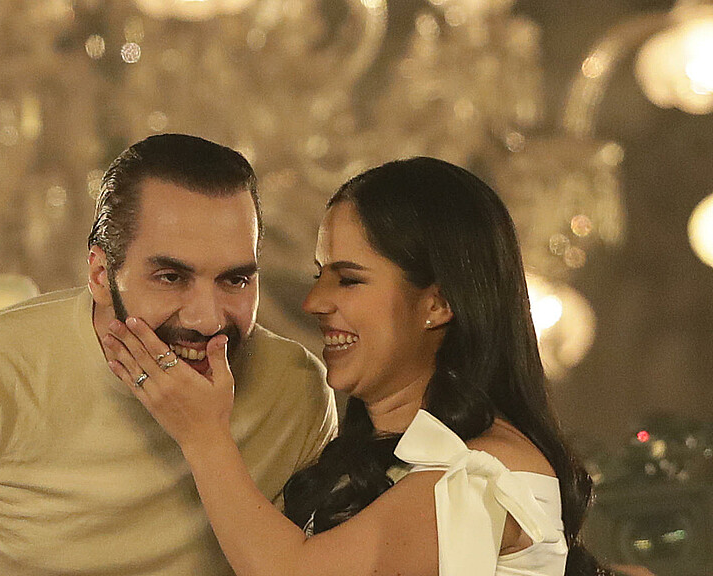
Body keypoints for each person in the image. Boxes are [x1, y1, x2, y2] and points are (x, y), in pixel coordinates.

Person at [0, 134, 338, 576]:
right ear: (99, 274)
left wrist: (206, 437)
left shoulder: (296, 391)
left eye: (235, 280)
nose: (207, 319)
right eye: (170, 277)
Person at [104, 156, 610, 576]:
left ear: (437, 303)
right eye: (319, 275)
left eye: (348, 280)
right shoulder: (387, 452)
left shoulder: (483, 474)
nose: (314, 302)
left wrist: (203, 435)